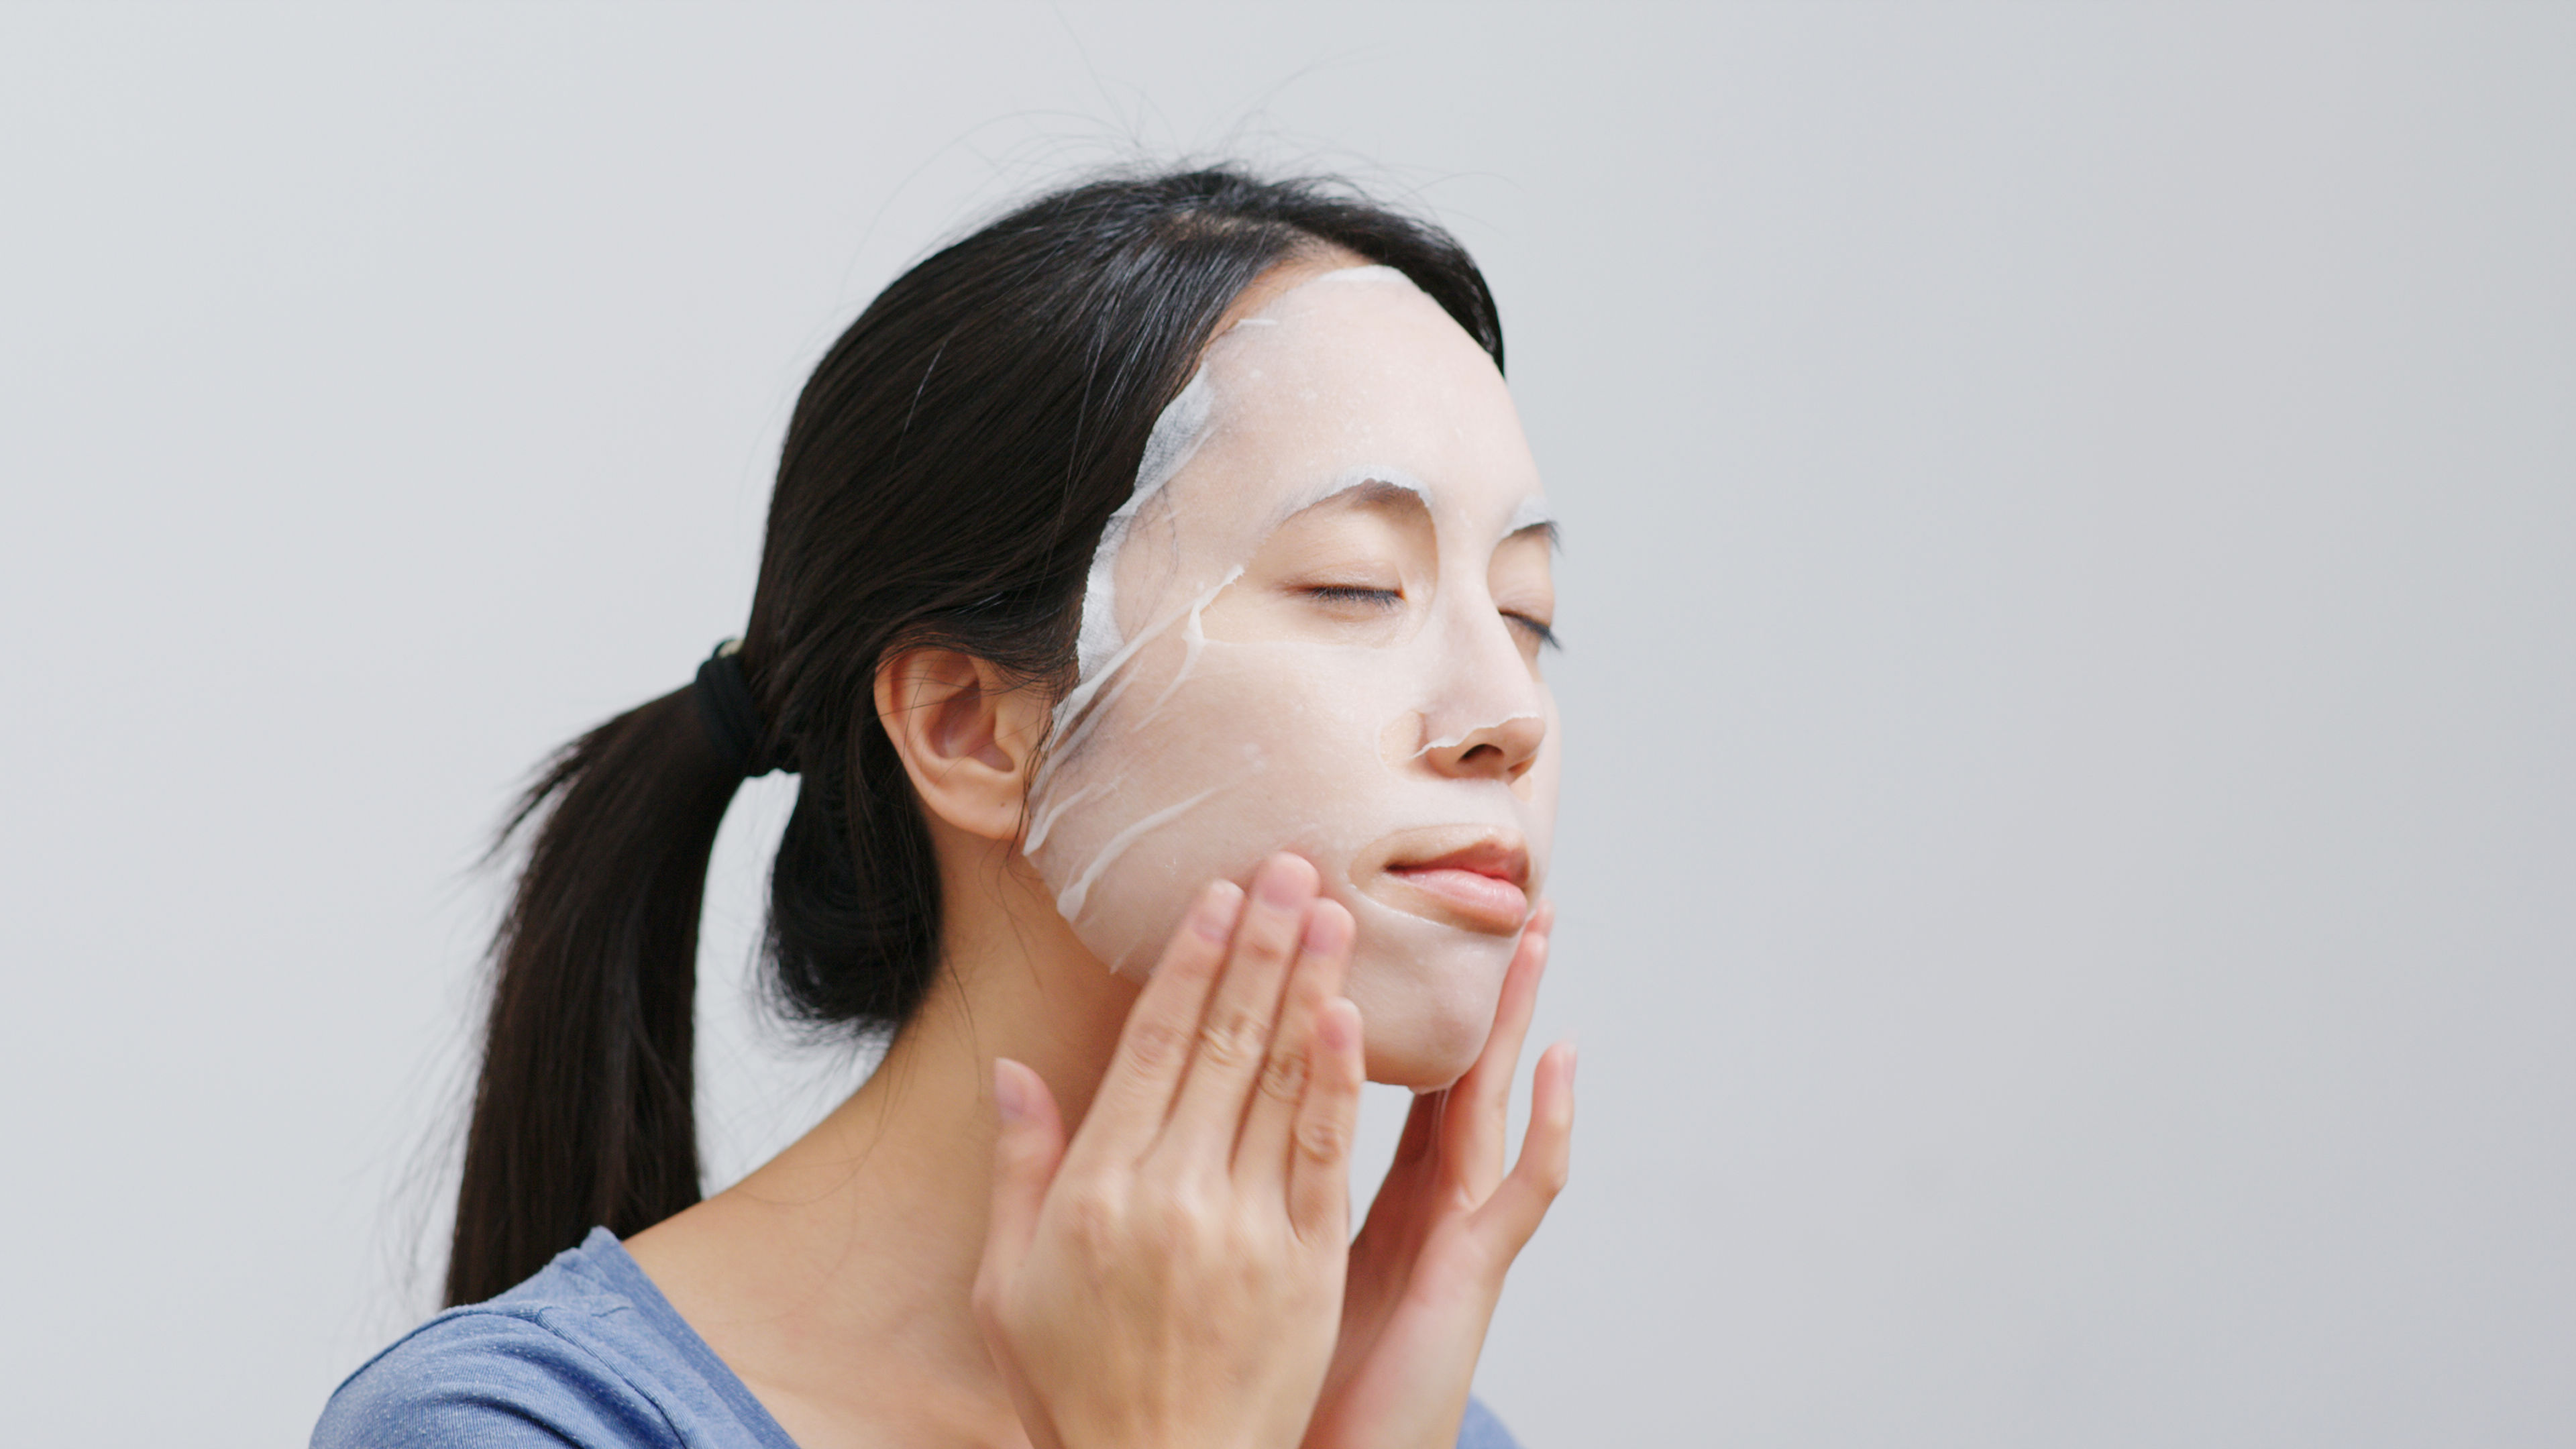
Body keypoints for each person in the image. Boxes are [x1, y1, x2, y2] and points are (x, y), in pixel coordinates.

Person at [315, 165, 1574, 1449]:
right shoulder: (517, 1427)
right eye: (1357, 587)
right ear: (969, 726)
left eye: (1528, 617)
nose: (1508, 716)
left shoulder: (1406, 1426)